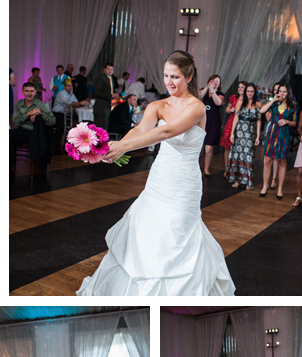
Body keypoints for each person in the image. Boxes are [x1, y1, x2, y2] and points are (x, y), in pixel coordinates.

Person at [77, 51, 234, 296]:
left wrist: (124, 147)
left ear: (189, 77)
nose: (169, 82)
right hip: (159, 180)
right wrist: (112, 148)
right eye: (166, 76)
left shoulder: (196, 108)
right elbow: (141, 129)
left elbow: (166, 133)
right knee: (148, 234)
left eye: (176, 77)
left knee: (178, 235)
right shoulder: (157, 105)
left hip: (184, 184)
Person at [225, 83, 261, 190]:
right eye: (248, 91)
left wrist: (258, 136)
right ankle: (237, 180)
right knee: (237, 155)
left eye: (252, 91)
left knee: (249, 156)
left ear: (255, 93)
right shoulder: (240, 102)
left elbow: (259, 121)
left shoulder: (258, 104)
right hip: (239, 131)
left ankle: (249, 181)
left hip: (251, 133)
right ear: (245, 92)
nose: (250, 93)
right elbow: (236, 117)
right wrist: (232, 133)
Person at [200, 74, 224, 176]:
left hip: (213, 122)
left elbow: (218, 102)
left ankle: (206, 168)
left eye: (217, 81)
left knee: (209, 148)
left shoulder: (220, 93)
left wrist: (213, 91)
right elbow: (198, 96)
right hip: (202, 121)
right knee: (198, 146)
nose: (215, 82)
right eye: (213, 80)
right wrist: (207, 87)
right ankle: (196, 168)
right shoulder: (203, 90)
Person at [93, 63, 115, 131]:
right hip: (101, 108)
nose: (110, 71)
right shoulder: (101, 78)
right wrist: (111, 95)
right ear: (104, 69)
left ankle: (104, 141)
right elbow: (98, 92)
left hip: (107, 107)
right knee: (100, 129)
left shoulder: (111, 79)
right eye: (108, 69)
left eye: (111, 69)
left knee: (105, 128)